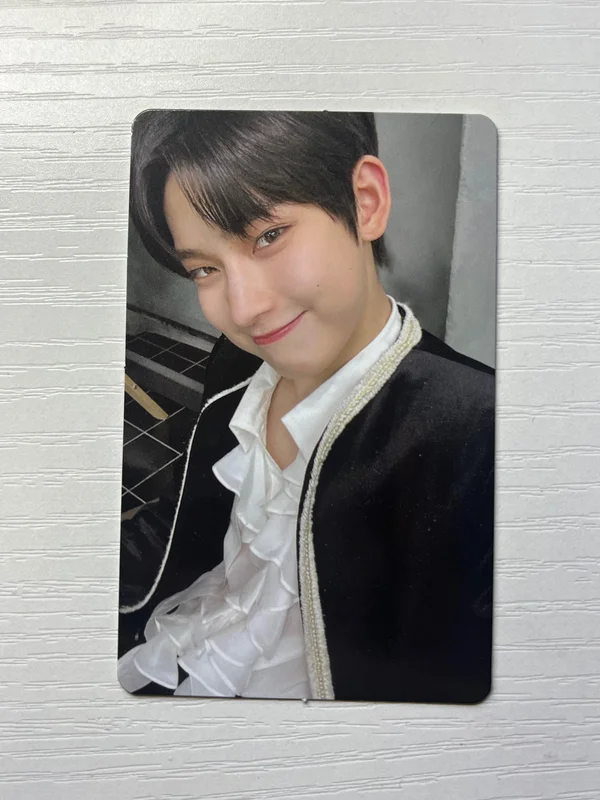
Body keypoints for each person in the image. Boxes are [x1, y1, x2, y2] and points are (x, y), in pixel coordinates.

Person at [118, 110, 494, 704]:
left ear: (365, 202)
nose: (243, 309)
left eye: (268, 236)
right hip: (183, 643)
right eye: (205, 269)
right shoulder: (238, 363)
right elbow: (187, 518)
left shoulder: (480, 431)